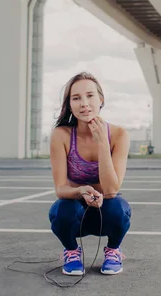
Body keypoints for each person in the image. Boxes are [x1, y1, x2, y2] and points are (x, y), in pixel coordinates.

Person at [48, 72, 131, 276]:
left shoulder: (119, 134)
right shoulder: (61, 135)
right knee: (60, 211)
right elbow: (60, 189)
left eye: (90, 96)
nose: (84, 103)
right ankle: (71, 251)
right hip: (76, 212)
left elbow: (112, 190)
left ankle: (113, 251)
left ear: (100, 99)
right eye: (76, 98)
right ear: (69, 104)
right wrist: (81, 190)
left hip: (106, 210)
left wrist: (103, 142)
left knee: (119, 209)